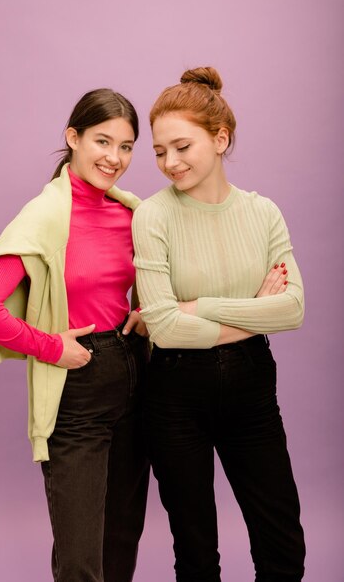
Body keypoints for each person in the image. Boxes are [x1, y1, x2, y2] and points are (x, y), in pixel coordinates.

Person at [0, 88, 150, 582]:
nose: (114, 158)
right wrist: (50, 346)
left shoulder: (132, 213)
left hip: (135, 374)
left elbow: (148, 280)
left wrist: (149, 309)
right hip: (79, 385)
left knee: (122, 538)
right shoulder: (46, 216)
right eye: (102, 141)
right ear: (73, 137)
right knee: (81, 557)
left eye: (126, 146)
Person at [132, 67, 305, 582]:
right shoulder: (153, 216)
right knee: (197, 552)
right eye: (160, 151)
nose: (170, 162)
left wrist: (195, 306)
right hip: (174, 393)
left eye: (182, 146)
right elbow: (162, 328)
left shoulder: (263, 212)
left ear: (220, 138)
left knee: (282, 544)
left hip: (252, 388)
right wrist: (250, 312)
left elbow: (292, 309)